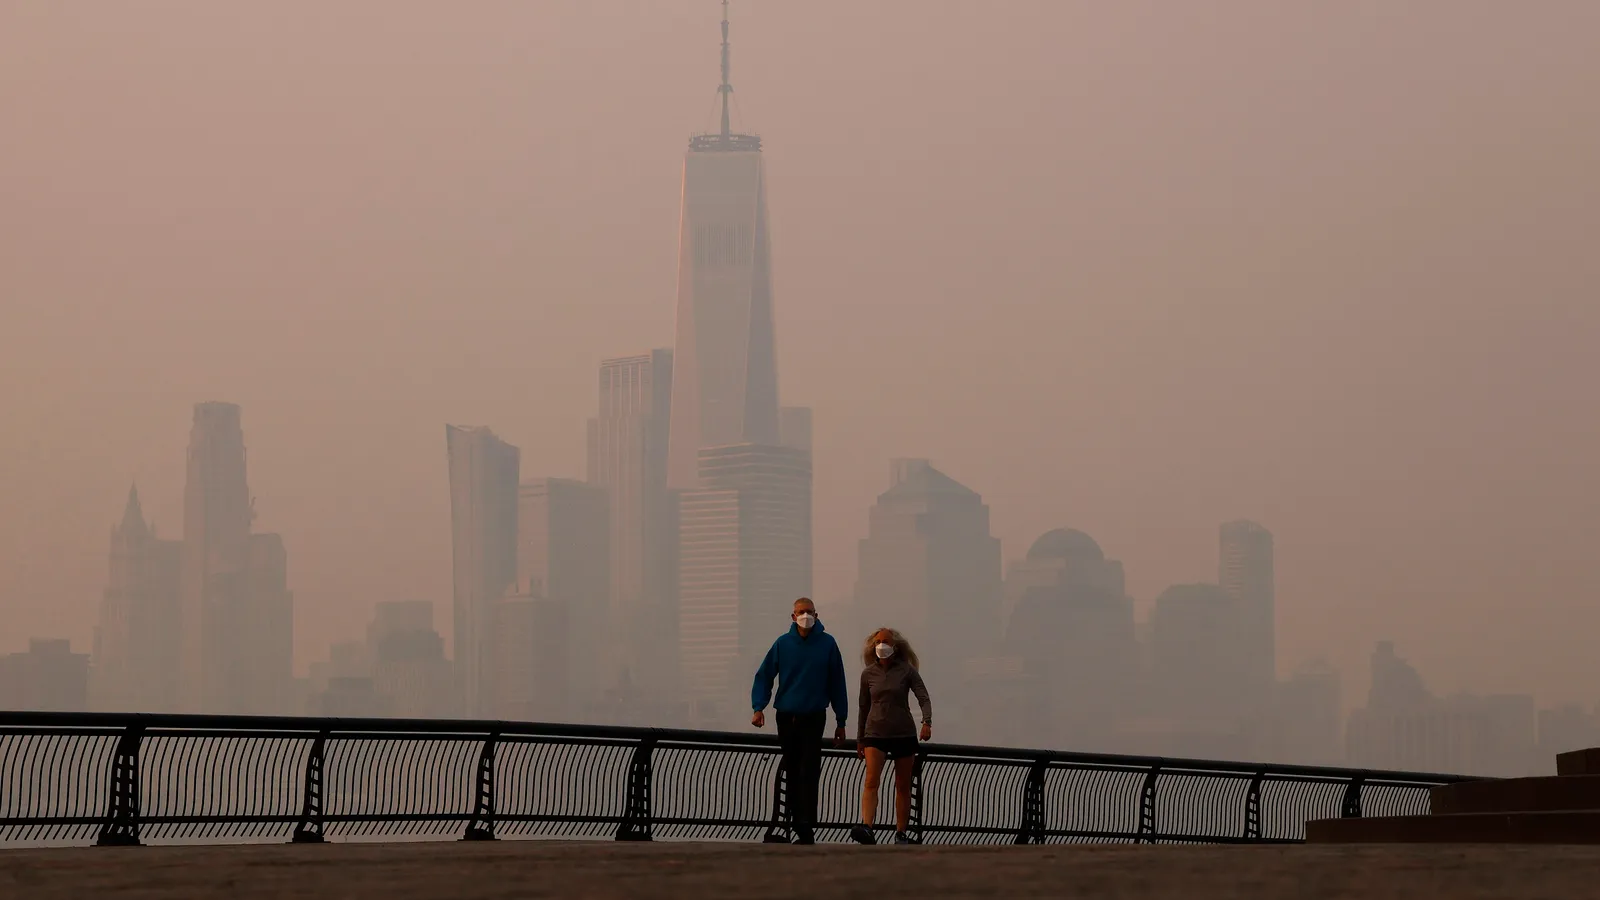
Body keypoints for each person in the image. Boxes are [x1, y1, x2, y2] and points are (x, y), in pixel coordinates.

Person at [751, 597, 849, 845]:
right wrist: (758, 707)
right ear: (793, 617)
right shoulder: (783, 644)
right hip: (787, 716)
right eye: (800, 612)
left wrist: (841, 720)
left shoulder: (828, 644)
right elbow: (764, 675)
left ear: (816, 614)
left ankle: (805, 825)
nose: (805, 615)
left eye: (809, 612)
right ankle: (793, 822)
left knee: (810, 769)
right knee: (793, 770)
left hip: (814, 716)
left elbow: (837, 683)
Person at [850, 627, 932, 846]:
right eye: (877, 641)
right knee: (871, 781)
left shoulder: (907, 671)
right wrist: (860, 738)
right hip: (874, 734)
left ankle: (901, 833)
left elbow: (923, 697)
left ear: (895, 646)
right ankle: (867, 826)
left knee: (902, 785)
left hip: (903, 733)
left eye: (885, 641)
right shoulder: (868, 674)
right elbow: (863, 706)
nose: (881, 645)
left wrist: (927, 722)